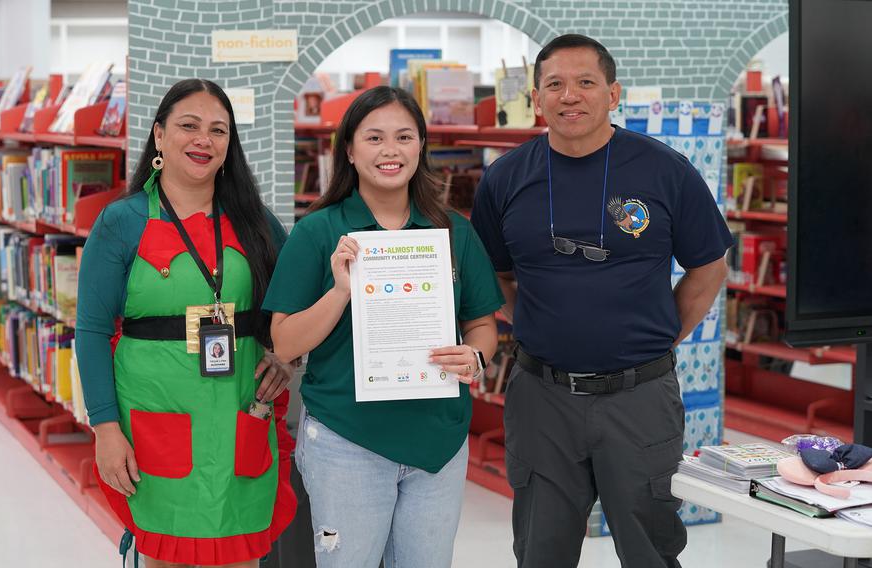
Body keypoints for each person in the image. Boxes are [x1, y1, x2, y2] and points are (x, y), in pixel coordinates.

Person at [470, 34, 732, 568]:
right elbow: (495, 278)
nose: (571, 96)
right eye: (555, 85)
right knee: (540, 550)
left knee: (650, 548)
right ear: (537, 99)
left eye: (586, 82)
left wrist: (657, 337)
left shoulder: (666, 171)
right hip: (541, 395)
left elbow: (708, 268)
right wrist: (543, 327)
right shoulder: (503, 178)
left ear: (613, 94)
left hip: (640, 397)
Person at [263, 86, 504, 568]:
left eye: (403, 137)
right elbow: (284, 342)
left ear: (420, 147)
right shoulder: (318, 232)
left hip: (438, 440)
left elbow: (482, 325)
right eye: (374, 137)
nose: (390, 150)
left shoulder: (454, 232)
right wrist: (340, 293)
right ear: (349, 150)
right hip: (346, 441)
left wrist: (476, 356)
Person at [76, 79, 297, 568]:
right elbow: (91, 330)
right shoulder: (121, 222)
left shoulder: (255, 221)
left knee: (240, 548)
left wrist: (284, 354)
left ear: (229, 146)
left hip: (240, 411)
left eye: (218, 130)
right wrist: (105, 429)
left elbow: (292, 305)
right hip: (152, 417)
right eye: (188, 126)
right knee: (165, 554)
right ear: (159, 136)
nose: (204, 140)